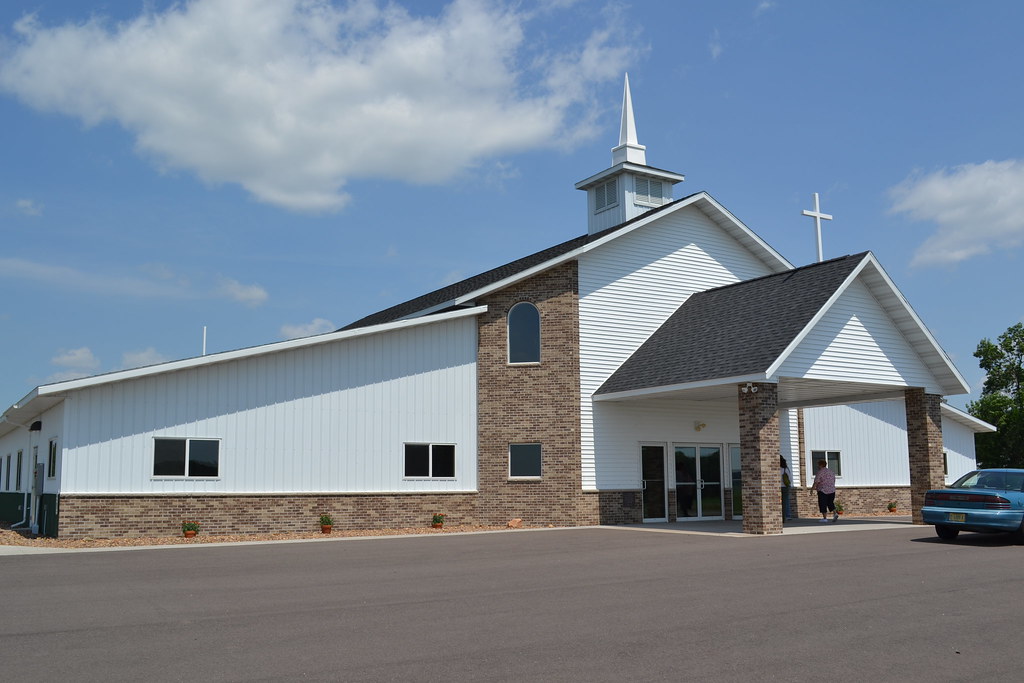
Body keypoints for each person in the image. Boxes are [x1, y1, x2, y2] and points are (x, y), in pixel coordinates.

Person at [779, 456, 793, 521]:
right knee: (786, 501)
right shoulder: (785, 469)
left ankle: (781, 515)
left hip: (777, 487)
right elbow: (790, 479)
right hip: (785, 486)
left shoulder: (775, 469)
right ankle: (787, 515)